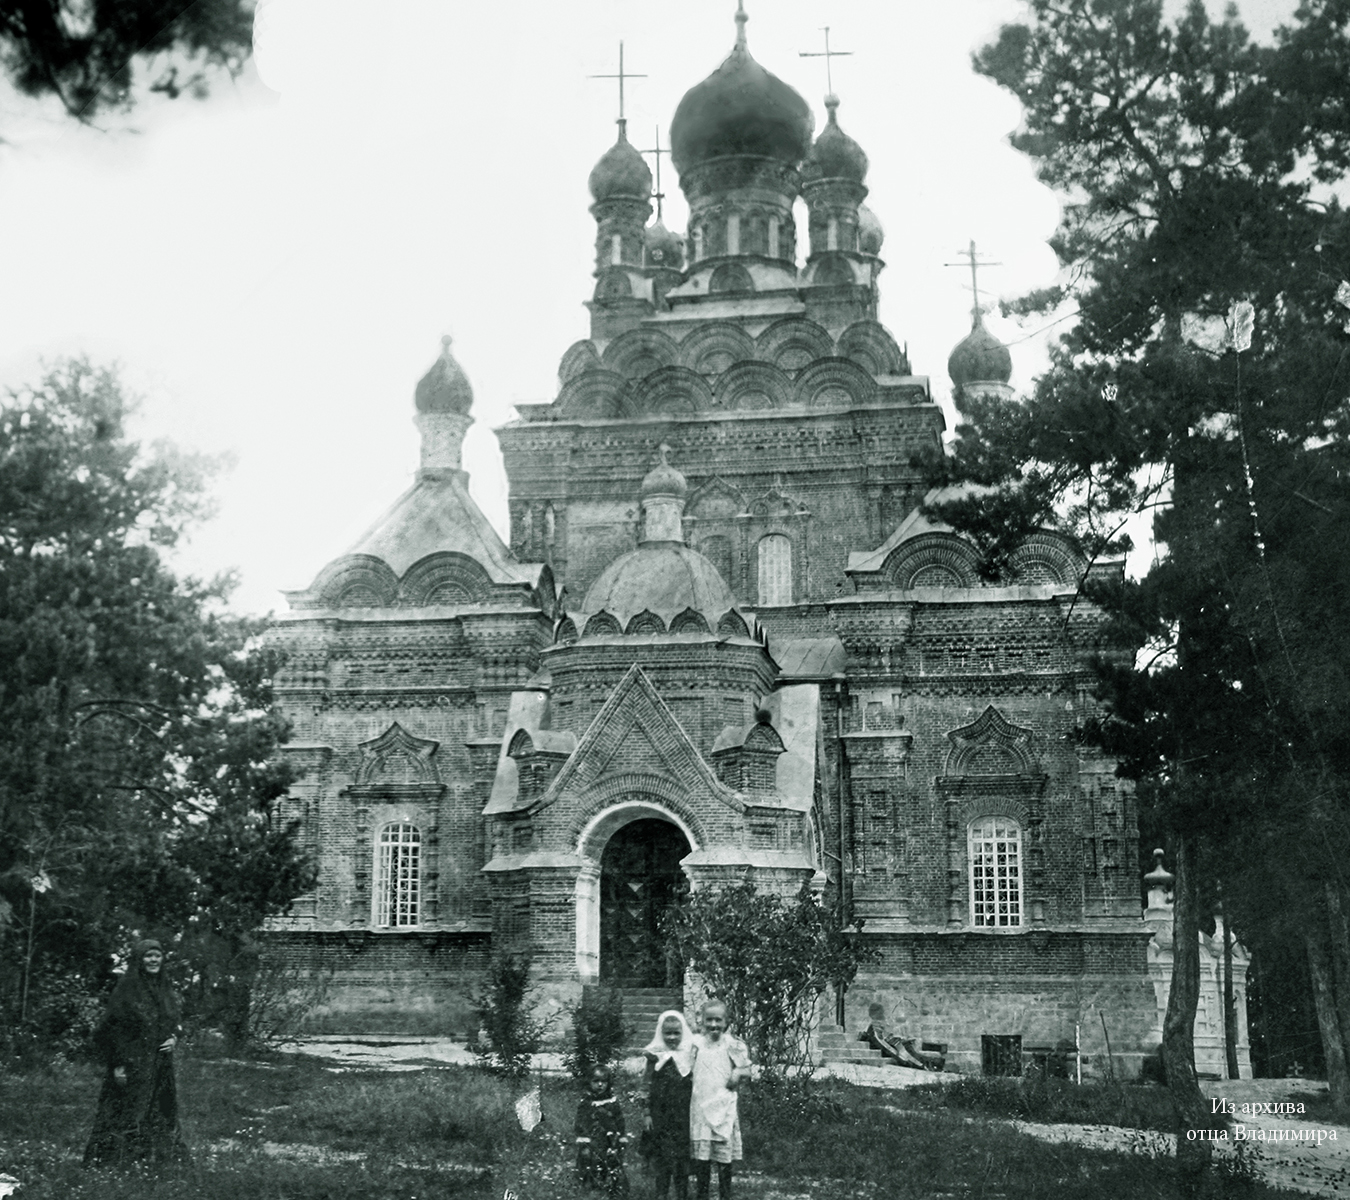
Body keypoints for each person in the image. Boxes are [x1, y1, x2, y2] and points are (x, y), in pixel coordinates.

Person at [83, 939, 189, 1166]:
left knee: (160, 1110)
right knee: (127, 1111)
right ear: (139, 960)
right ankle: (118, 1162)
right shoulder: (127, 989)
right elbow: (111, 1030)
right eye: (148, 956)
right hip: (132, 1064)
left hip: (160, 1064)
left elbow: (173, 1020)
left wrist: (174, 1037)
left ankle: (157, 1161)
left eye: (157, 956)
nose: (153, 960)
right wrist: (118, 1064)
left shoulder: (164, 988)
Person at [689, 1000, 749, 1200]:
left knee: (724, 1156)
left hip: (724, 1106)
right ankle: (702, 1194)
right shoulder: (696, 1044)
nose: (713, 1025)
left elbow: (747, 1068)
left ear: (726, 1022)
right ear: (701, 1021)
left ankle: (725, 1194)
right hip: (701, 1106)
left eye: (718, 1020)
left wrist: (737, 1073)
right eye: (709, 1020)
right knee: (702, 1158)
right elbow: (687, 1068)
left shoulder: (732, 1044)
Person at [643, 1009, 694, 1200]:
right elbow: (646, 1085)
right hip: (660, 1115)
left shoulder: (689, 1055)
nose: (672, 1037)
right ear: (660, 1033)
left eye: (676, 1033)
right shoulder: (654, 1055)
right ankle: (661, 1193)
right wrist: (647, 1112)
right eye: (667, 1033)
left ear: (683, 1033)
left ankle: (682, 1193)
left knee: (682, 1157)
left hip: (683, 1115)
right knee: (662, 1157)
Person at [575, 1063, 629, 1196]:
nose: (600, 1085)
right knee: (590, 1162)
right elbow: (580, 1121)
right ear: (589, 1082)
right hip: (592, 1140)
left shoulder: (612, 1101)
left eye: (603, 1082)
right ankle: (591, 1188)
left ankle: (615, 1190)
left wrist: (621, 1135)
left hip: (610, 1140)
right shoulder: (587, 1102)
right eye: (596, 1081)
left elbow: (619, 1119)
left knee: (612, 1163)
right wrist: (583, 1136)